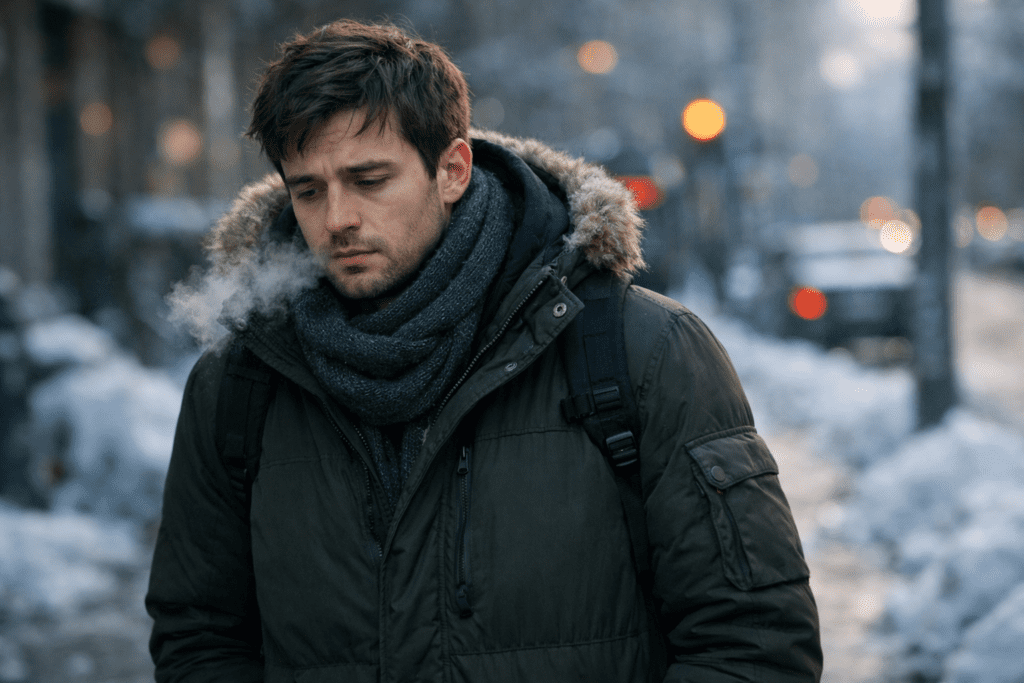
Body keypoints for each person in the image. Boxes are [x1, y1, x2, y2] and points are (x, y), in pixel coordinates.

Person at [146, 19, 822, 682]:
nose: (337, 219)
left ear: (452, 170)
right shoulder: (240, 384)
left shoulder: (643, 351)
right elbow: (199, 639)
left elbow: (754, 644)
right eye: (308, 190)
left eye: (370, 179)